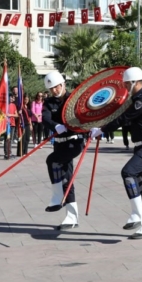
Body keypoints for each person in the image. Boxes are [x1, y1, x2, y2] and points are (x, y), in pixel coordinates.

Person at [90, 67, 142, 239]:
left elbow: (124, 119)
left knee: (128, 172)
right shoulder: (138, 99)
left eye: (126, 84)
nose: (124, 87)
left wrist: (102, 130)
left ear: (134, 82)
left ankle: (139, 214)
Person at [41, 71, 85, 230]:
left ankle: (57, 196)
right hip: (59, 143)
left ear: (63, 84)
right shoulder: (48, 102)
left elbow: (83, 115)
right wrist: (55, 126)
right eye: (51, 88)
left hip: (74, 142)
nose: (54, 90)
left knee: (51, 160)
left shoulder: (74, 99)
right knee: (67, 178)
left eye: (56, 86)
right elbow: (45, 118)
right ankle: (72, 217)